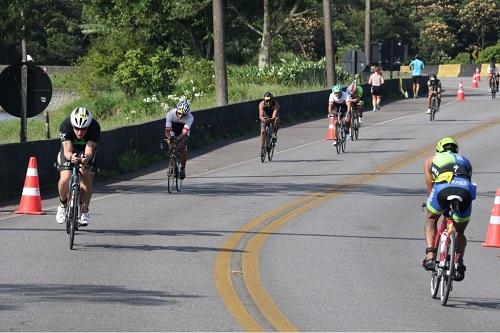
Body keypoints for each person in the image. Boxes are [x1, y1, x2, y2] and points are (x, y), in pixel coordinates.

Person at [422, 137, 476, 282]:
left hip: (442, 190)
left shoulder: (430, 160)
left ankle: (430, 255)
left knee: (431, 218)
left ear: (439, 149)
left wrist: (431, 202)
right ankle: (458, 262)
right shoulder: (466, 160)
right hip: (464, 190)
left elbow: (430, 188)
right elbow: (468, 180)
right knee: (460, 231)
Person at [56, 107, 101, 226]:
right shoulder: (65, 126)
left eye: (83, 129)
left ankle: (84, 211)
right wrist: (71, 157)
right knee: (65, 178)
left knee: (87, 176)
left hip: (85, 151)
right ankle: (62, 204)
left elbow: (90, 149)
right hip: (70, 151)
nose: (80, 132)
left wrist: (86, 158)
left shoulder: (95, 127)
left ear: (88, 126)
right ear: (72, 125)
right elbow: (66, 151)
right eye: (77, 128)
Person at [164, 97, 194, 180]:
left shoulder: (190, 117)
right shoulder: (170, 114)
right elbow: (167, 131)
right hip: (173, 129)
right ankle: (171, 166)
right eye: (179, 113)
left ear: (187, 113)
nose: (180, 116)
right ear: (177, 110)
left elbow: (184, 133)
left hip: (182, 131)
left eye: (183, 114)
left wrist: (178, 139)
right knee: (170, 147)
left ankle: (182, 169)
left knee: (181, 146)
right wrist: (170, 138)